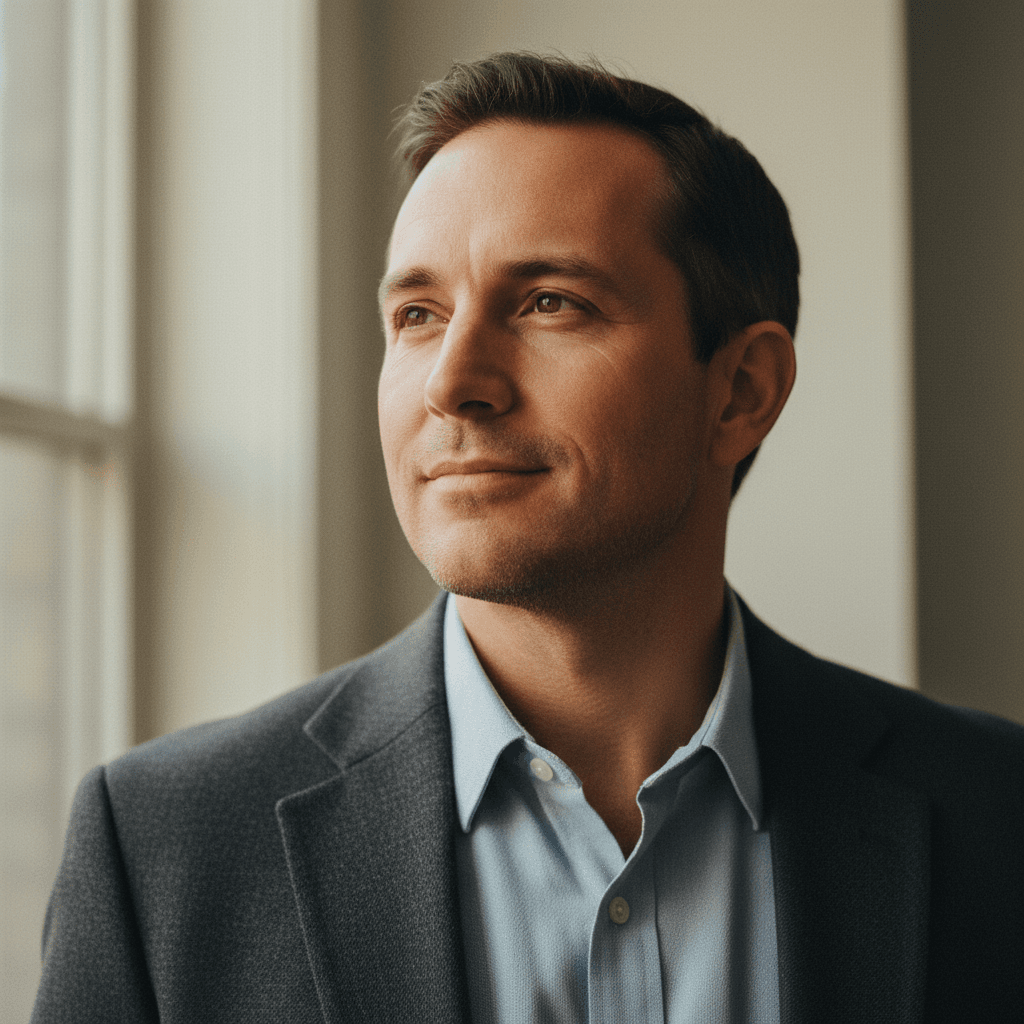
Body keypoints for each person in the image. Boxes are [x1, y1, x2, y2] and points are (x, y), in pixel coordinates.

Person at [33, 53, 1022, 1024]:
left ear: (740, 392)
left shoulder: (997, 817)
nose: (451, 382)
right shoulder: (162, 850)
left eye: (550, 302)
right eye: (417, 314)